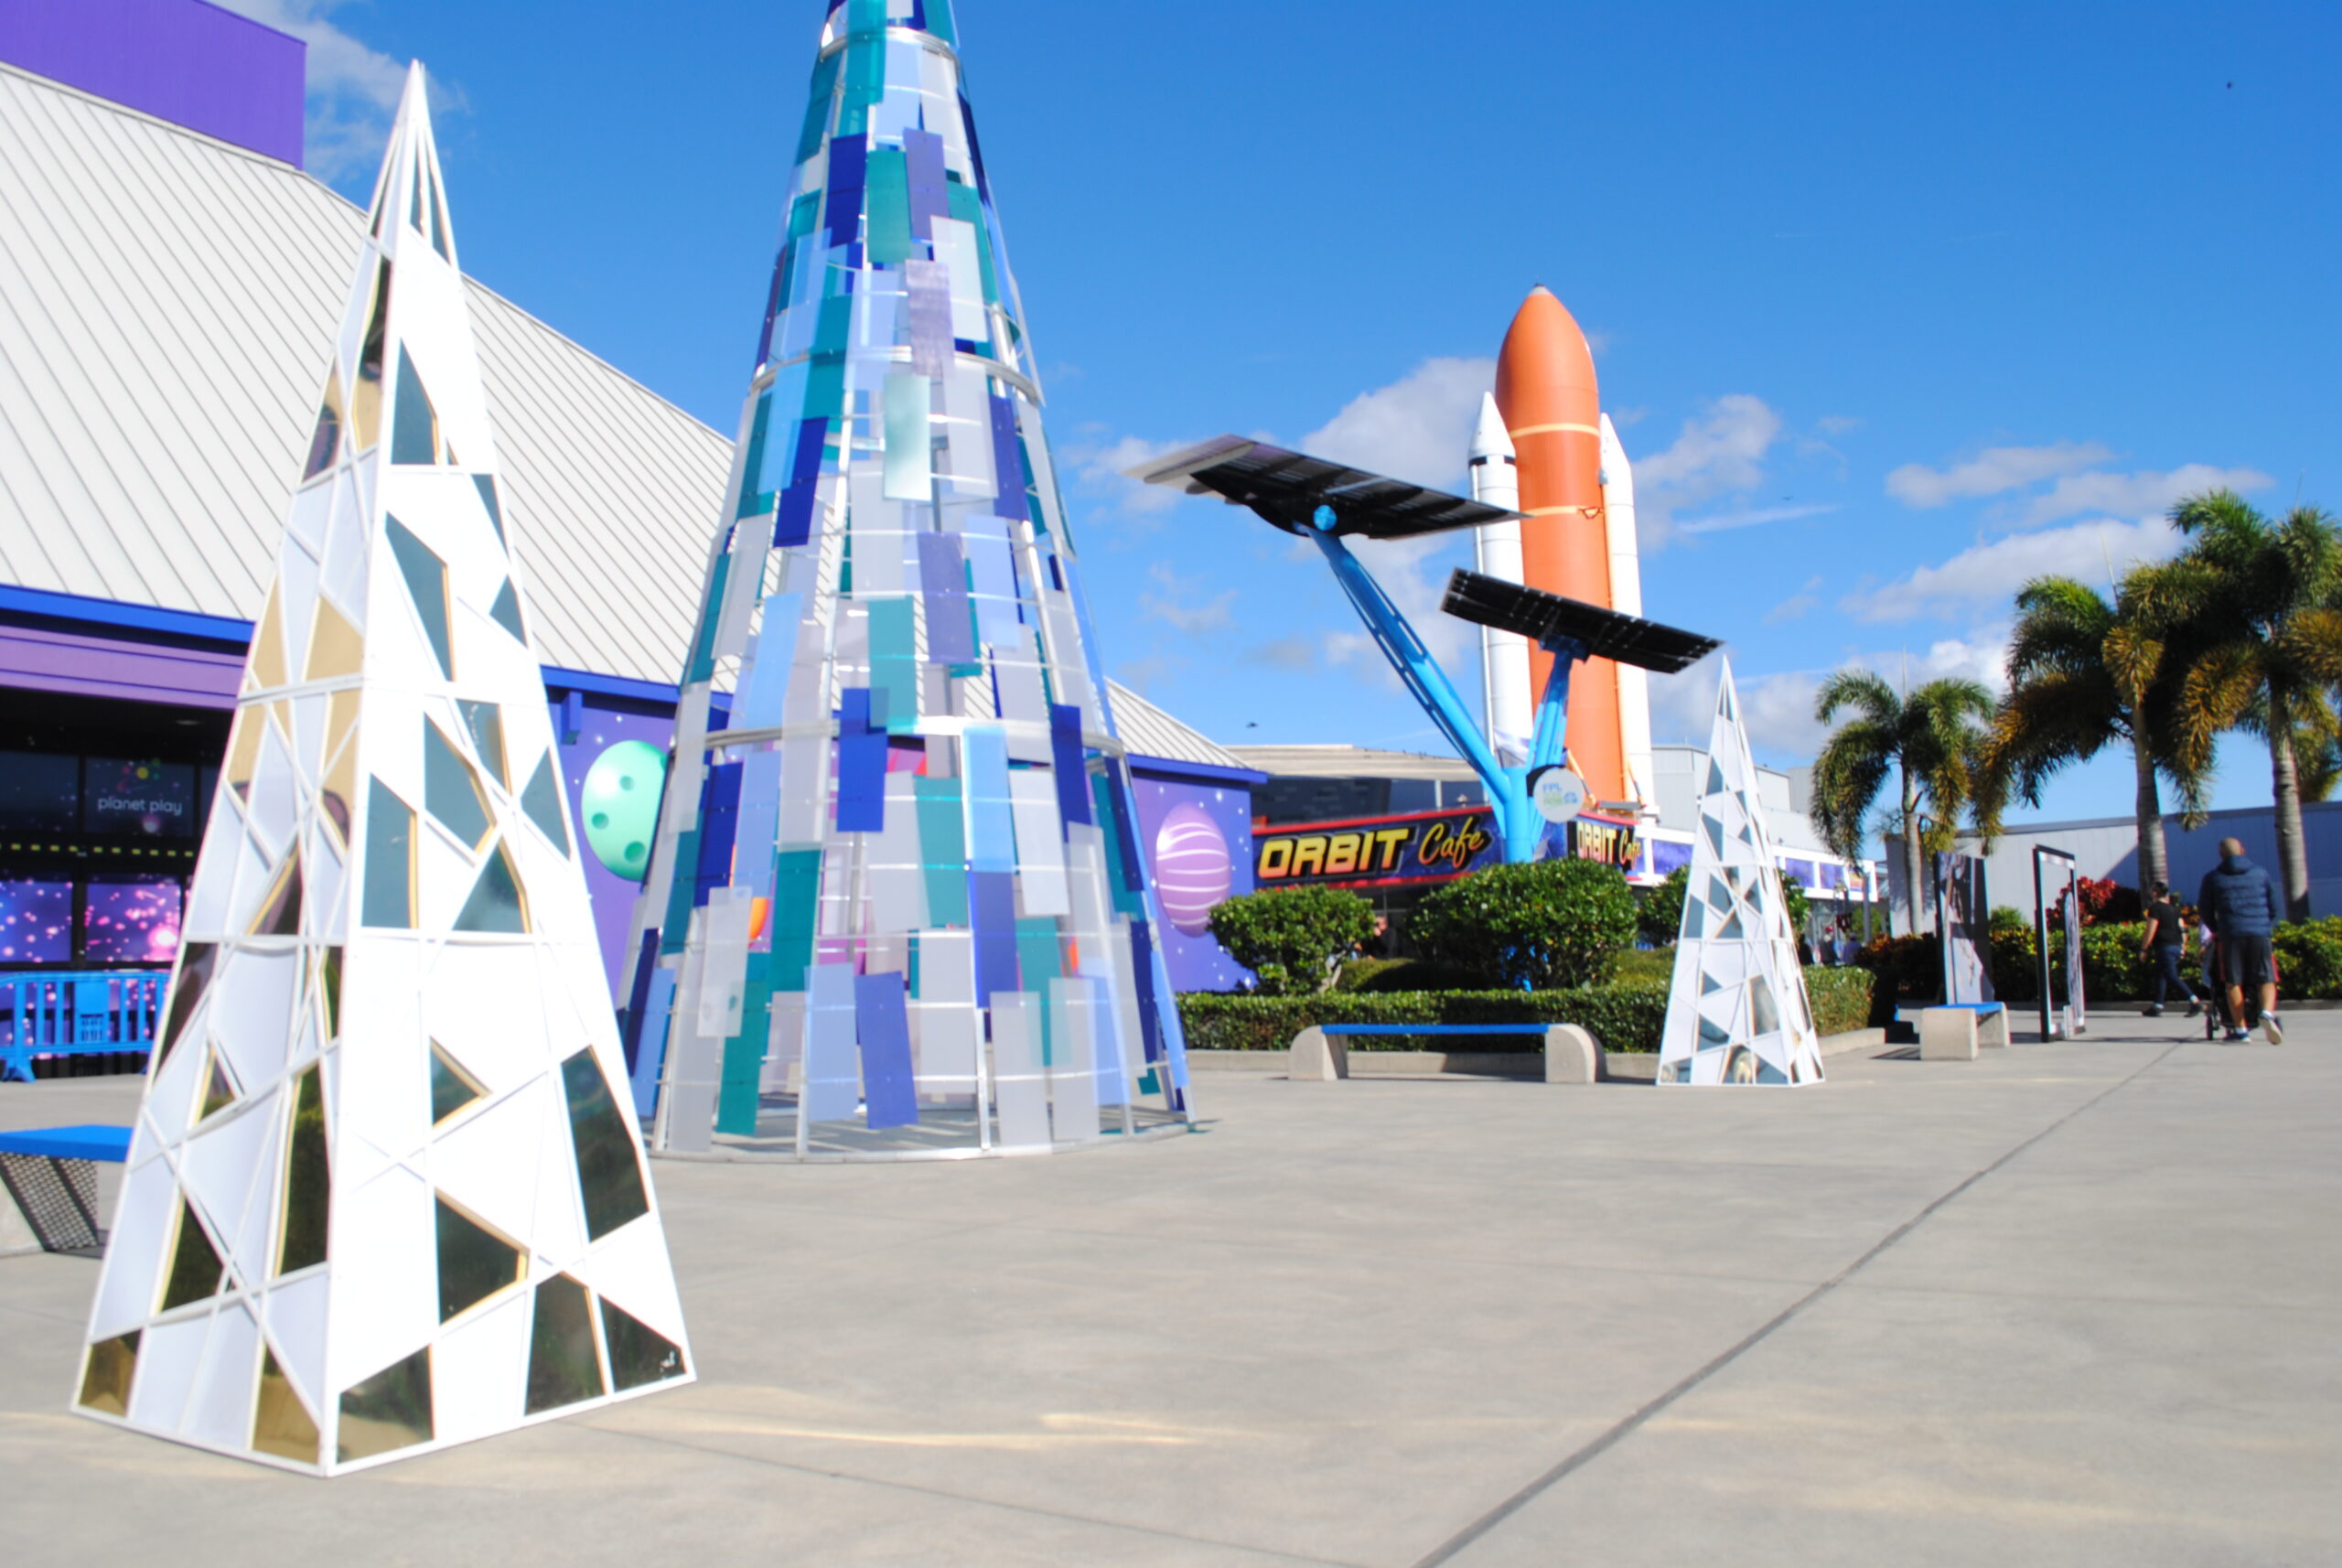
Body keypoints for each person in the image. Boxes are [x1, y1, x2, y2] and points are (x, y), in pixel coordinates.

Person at [2197, 838, 2283, 1044]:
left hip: (2230, 934)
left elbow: (2205, 910)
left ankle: (2240, 1030)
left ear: (2221, 855)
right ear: (2243, 850)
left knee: (2232, 982)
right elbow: (2272, 905)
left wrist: (2218, 929)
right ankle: (2267, 1014)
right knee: (2266, 978)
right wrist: (2263, 923)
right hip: (2260, 933)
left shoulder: (2213, 878)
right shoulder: (2260, 873)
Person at [2138, 882, 2201, 1019]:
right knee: (2161, 975)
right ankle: (2158, 1006)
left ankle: (2194, 1001)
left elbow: (2151, 929)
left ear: (2155, 893)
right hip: (2175, 945)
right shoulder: (2173, 909)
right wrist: (2183, 946)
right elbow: (2182, 929)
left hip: (2164, 946)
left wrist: (2144, 948)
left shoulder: (2155, 908)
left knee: (2171, 976)